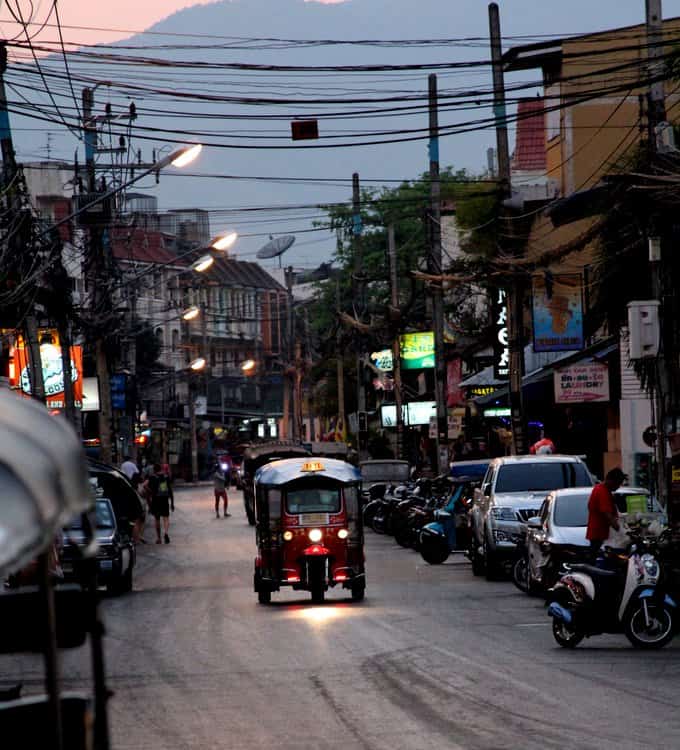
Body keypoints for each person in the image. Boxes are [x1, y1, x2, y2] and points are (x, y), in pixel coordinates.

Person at [586, 467, 626, 557]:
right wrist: (620, 530)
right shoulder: (602, 492)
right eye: (618, 484)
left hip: (600, 534)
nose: (618, 487)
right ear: (611, 481)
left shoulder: (602, 490)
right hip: (599, 534)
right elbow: (607, 515)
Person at [144, 463, 173, 544]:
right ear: (161, 469)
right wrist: (172, 503)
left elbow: (144, 485)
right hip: (164, 499)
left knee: (157, 519)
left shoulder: (152, 477)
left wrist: (150, 491)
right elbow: (170, 489)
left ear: (154, 470)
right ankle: (166, 533)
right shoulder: (166, 477)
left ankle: (159, 538)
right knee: (166, 517)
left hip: (156, 499)